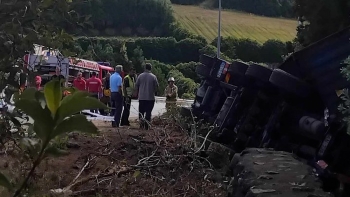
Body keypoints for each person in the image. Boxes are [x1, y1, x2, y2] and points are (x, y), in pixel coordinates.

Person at [134, 63, 159, 130]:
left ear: (145, 68)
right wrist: (154, 91)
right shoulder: (153, 77)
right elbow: (156, 87)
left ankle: (141, 125)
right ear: (150, 68)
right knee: (148, 112)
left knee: (141, 112)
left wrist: (136, 94)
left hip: (141, 97)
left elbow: (136, 86)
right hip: (150, 98)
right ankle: (147, 126)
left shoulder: (140, 76)